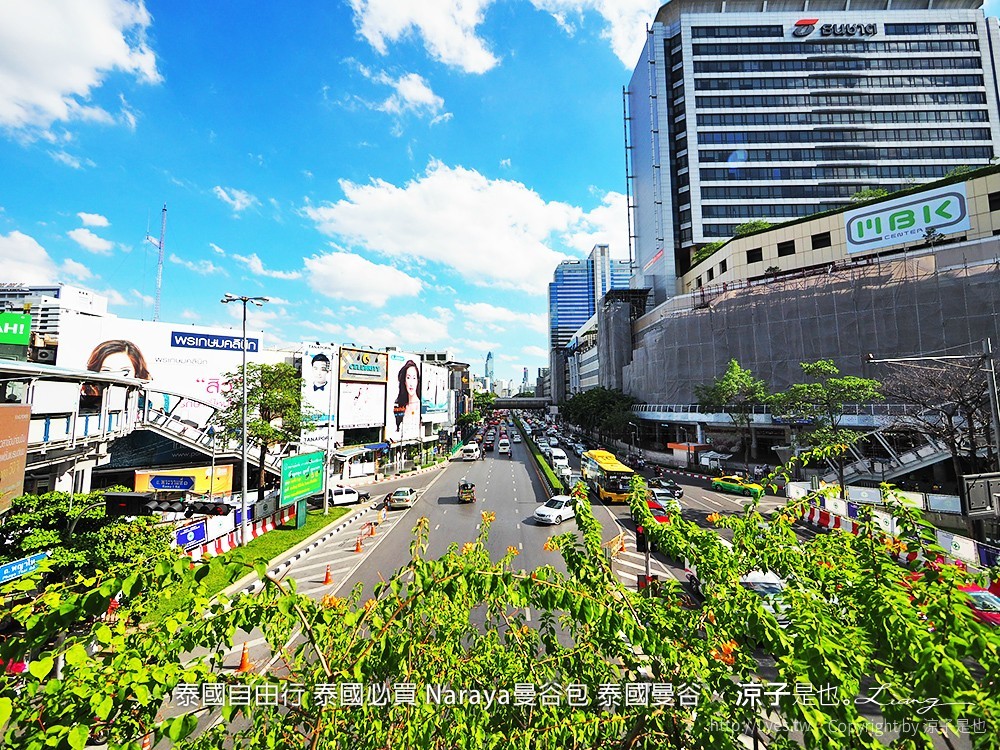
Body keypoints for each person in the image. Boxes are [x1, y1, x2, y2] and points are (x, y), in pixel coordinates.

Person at [391, 360, 421, 441]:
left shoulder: (422, 406)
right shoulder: (399, 406)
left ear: (418, 381)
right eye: (408, 378)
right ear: (404, 381)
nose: (411, 383)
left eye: (414, 378)